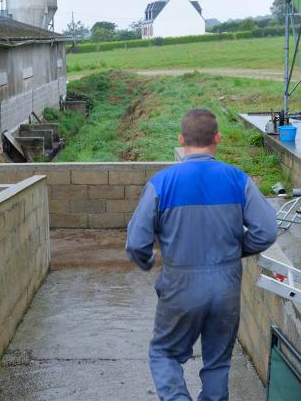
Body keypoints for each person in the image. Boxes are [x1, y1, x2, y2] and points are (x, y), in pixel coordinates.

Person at [126, 108, 280, 401]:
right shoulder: (238, 180)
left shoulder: (161, 183)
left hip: (180, 286)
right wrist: (235, 249)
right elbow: (267, 230)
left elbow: (136, 243)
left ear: (182, 140)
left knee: (164, 354)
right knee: (218, 362)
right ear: (218, 138)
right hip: (226, 287)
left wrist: (147, 262)